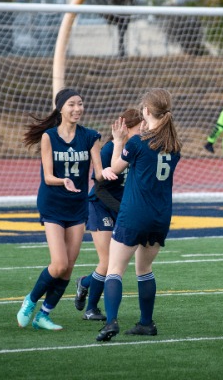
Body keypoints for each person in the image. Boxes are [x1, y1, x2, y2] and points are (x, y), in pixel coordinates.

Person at [95, 88, 182, 342]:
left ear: (146, 111)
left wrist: (118, 141)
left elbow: (113, 169)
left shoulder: (137, 143)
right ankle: (146, 323)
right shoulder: (174, 145)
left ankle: (111, 322)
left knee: (115, 269)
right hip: (160, 216)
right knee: (144, 269)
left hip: (134, 213)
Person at [16, 88, 103, 331]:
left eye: (80, 103)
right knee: (59, 264)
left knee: (69, 267)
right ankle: (30, 300)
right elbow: (48, 176)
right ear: (61, 108)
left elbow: (98, 173)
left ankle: (44, 315)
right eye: (72, 104)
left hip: (77, 206)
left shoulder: (91, 136)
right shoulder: (49, 137)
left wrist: (113, 165)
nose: (77, 108)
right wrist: (63, 181)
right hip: (53, 203)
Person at [75, 108, 144, 321]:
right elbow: (100, 189)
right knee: (107, 261)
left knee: (114, 263)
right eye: (139, 129)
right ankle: (91, 309)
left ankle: (85, 283)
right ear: (125, 129)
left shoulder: (137, 148)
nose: (142, 132)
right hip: (100, 206)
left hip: (120, 208)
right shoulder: (109, 150)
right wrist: (122, 208)